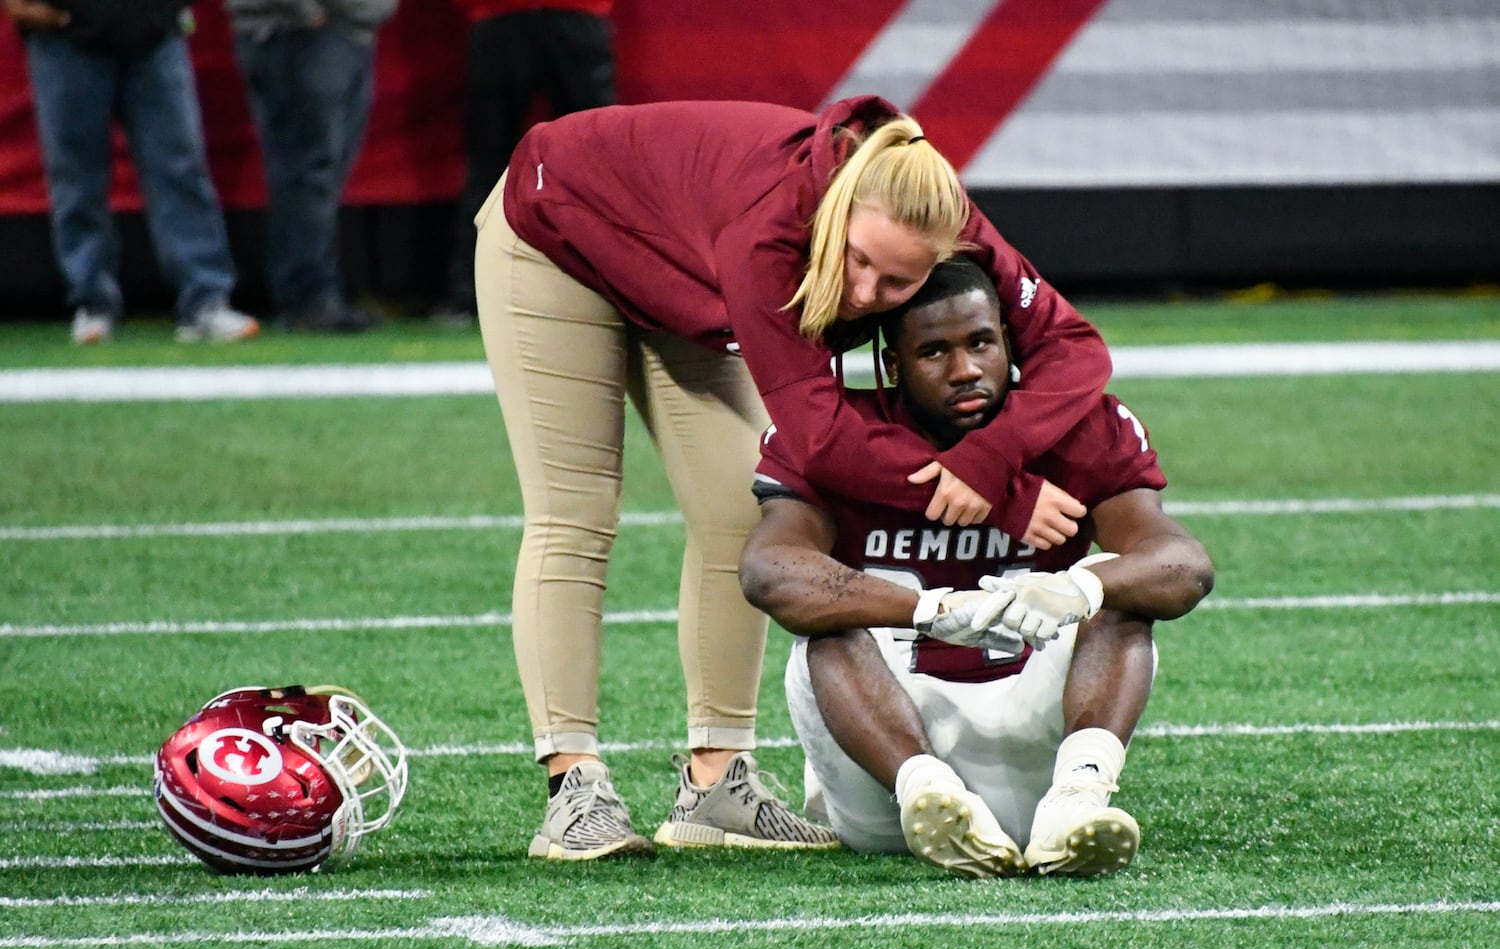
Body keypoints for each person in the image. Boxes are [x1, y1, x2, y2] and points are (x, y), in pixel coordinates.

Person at [473, 96, 1114, 861]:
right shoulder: (770, 228)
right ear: (838, 210)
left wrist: (986, 456)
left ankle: (716, 783)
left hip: (682, 266)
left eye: (898, 281)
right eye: (858, 259)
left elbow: (1075, 345)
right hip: (559, 226)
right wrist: (1005, 494)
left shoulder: (939, 212)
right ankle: (573, 786)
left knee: (739, 513)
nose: (866, 294)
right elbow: (818, 443)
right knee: (575, 510)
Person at [739, 257, 1215, 878]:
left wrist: (1079, 586)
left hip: (1034, 740)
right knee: (825, 625)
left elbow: (1182, 566)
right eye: (934, 351)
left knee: (1123, 594)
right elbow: (770, 571)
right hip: (885, 767)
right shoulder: (841, 432)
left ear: (1010, 344)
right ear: (893, 365)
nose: (965, 370)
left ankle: (1078, 796)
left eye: (981, 343)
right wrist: (926, 609)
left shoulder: (1079, 426)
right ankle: (927, 789)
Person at [6, 0, 259, 344]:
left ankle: (205, 299)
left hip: (154, 33)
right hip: (65, 35)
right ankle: (92, 300)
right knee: (77, 178)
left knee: (180, 171)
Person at [434, 0, 616, 323]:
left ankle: (612, 288)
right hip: (510, 15)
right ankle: (472, 292)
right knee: (489, 164)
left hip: (560, 14)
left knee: (595, 164)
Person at [224, 0, 397, 333]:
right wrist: (304, 11)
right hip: (299, 29)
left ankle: (311, 294)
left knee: (318, 174)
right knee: (308, 174)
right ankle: (308, 299)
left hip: (339, 28)